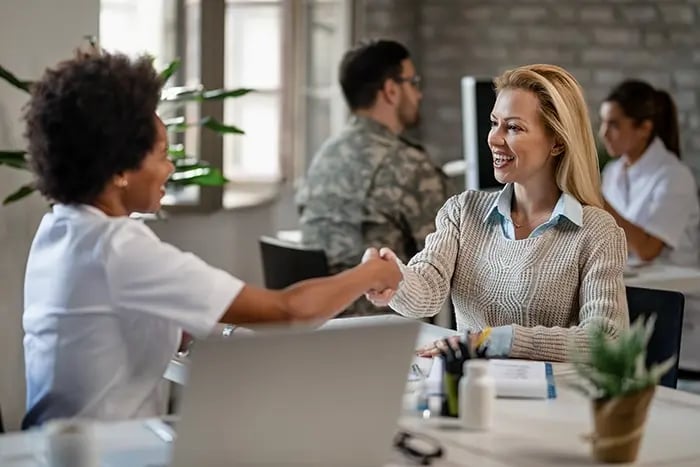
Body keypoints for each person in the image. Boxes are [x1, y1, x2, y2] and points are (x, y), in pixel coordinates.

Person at [21, 49, 401, 426]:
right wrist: (371, 273)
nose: (170, 167)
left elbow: (113, 326)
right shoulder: (118, 246)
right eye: (161, 154)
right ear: (121, 167)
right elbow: (289, 311)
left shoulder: (61, 229)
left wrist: (194, 326)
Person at [364, 64, 629, 362]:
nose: (494, 138)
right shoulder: (463, 211)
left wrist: (493, 340)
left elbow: (607, 339)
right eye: (494, 123)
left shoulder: (596, 231)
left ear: (557, 142)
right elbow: (427, 290)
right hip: (471, 391)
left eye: (513, 127)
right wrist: (393, 278)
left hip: (553, 401)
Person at [295, 39, 448, 317]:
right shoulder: (408, 164)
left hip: (316, 318)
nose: (419, 94)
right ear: (391, 90)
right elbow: (443, 263)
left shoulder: (325, 155)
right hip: (379, 327)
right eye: (413, 82)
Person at [599, 80, 700, 371]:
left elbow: (647, 249)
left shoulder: (674, 176)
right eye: (603, 123)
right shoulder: (613, 171)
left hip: (672, 306)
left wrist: (599, 201)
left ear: (644, 128)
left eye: (614, 125)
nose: (603, 133)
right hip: (632, 294)